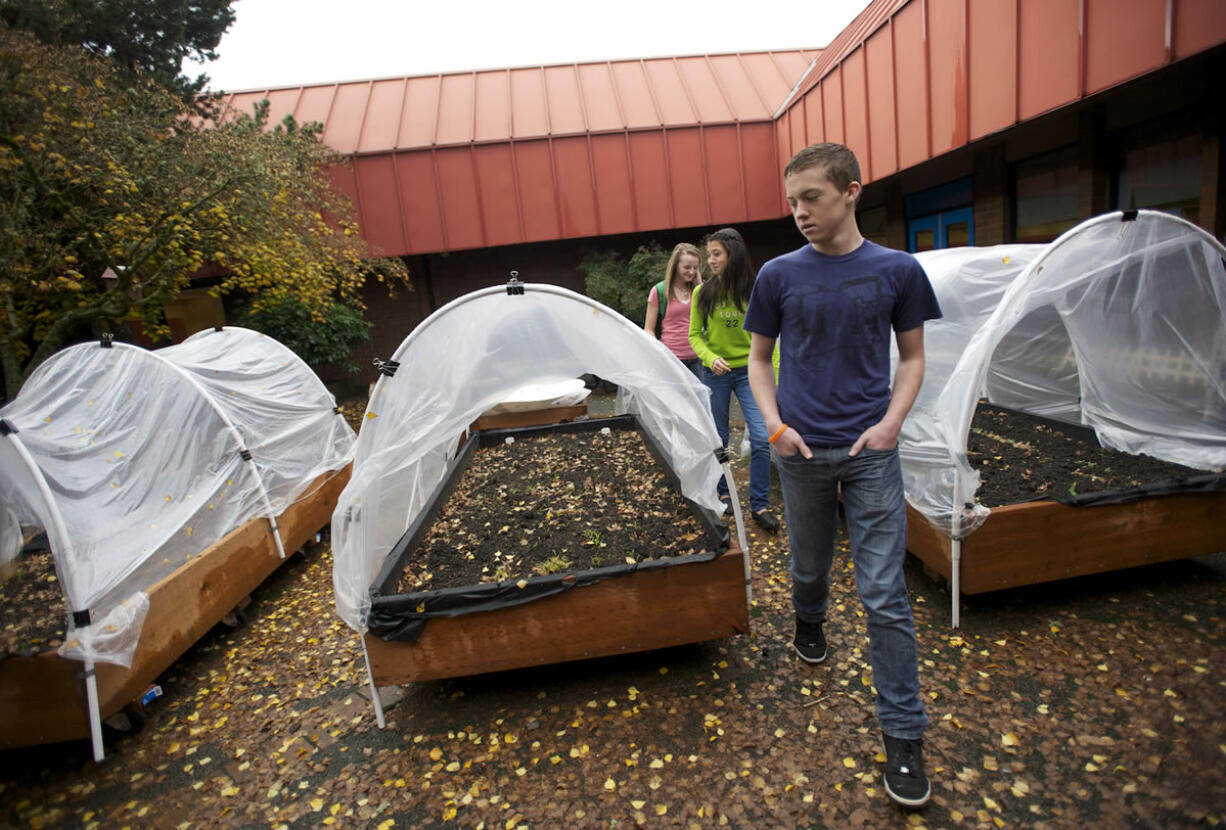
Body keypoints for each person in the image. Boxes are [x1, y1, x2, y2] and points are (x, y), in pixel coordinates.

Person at [743, 143, 942, 809]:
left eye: (813, 198)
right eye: (792, 200)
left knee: (884, 592)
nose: (799, 212)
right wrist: (773, 427)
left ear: (852, 191)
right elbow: (759, 360)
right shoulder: (777, 275)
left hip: (871, 452)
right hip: (798, 449)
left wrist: (891, 424)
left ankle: (904, 736)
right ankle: (809, 616)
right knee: (810, 566)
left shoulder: (898, 270)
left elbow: (912, 359)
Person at [688, 228, 780, 533]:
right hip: (715, 375)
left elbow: (770, 337)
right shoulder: (703, 293)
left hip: (750, 373)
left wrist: (774, 379)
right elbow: (694, 337)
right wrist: (709, 357)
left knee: (761, 437)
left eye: (717, 254)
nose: (711, 261)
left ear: (733, 255)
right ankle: (724, 493)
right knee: (720, 439)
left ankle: (760, 505)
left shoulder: (756, 289)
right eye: (709, 255)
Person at [643, 242, 703, 378]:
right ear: (675, 266)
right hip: (673, 360)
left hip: (699, 358)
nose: (692, 272)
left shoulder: (699, 290)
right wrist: (659, 352)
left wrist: (700, 284)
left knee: (701, 399)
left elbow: (712, 314)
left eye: (696, 268)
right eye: (687, 267)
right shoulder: (659, 291)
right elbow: (648, 328)